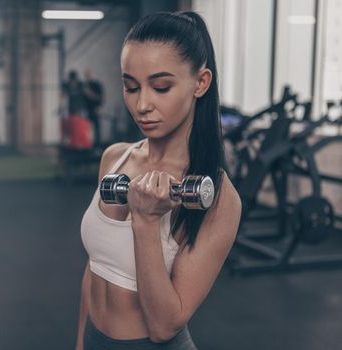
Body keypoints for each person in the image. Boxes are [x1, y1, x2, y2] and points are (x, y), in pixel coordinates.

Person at [76, 12, 242, 350]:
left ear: (201, 82)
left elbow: (164, 327)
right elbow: (95, 267)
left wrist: (147, 221)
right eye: (131, 87)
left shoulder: (221, 198)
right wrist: (81, 343)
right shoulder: (114, 158)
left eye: (161, 87)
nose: (142, 105)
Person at [83, 69, 104, 146]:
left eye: (88, 75)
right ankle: (88, 144)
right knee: (87, 129)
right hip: (87, 110)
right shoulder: (85, 85)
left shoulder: (97, 85)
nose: (87, 77)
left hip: (95, 109)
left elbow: (100, 98)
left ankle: (97, 145)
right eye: (86, 75)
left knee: (96, 128)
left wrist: (90, 94)